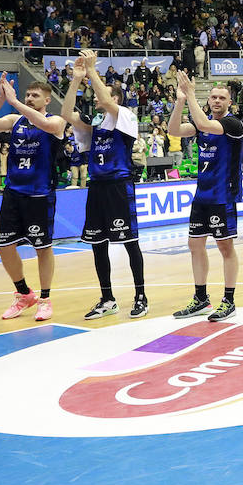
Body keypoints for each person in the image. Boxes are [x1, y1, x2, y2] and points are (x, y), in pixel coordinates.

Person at [62, 53, 148, 320]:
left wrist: (91, 70)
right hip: (97, 188)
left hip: (119, 187)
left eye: (102, 93)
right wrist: (77, 80)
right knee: (97, 244)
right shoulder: (94, 125)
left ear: (116, 99)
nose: (96, 97)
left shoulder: (126, 116)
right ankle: (107, 298)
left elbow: (108, 100)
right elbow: (66, 114)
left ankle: (141, 296)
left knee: (129, 243)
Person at [0, 74, 67, 322]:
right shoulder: (15, 120)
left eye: (35, 95)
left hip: (39, 194)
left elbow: (49, 127)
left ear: (47, 100)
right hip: (13, 192)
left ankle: (45, 299)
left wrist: (16, 102)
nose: (29, 98)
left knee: (42, 248)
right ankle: (24, 293)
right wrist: (1, 99)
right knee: (4, 246)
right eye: (27, 94)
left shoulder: (56, 120)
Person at [168, 72, 243, 322]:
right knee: (195, 245)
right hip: (202, 195)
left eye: (222, 98)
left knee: (225, 247)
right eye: (213, 97)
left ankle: (229, 300)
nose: (216, 100)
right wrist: (180, 100)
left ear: (229, 103)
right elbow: (174, 130)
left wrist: (191, 93)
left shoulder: (234, 124)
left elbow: (203, 124)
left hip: (223, 195)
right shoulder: (203, 124)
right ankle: (201, 298)